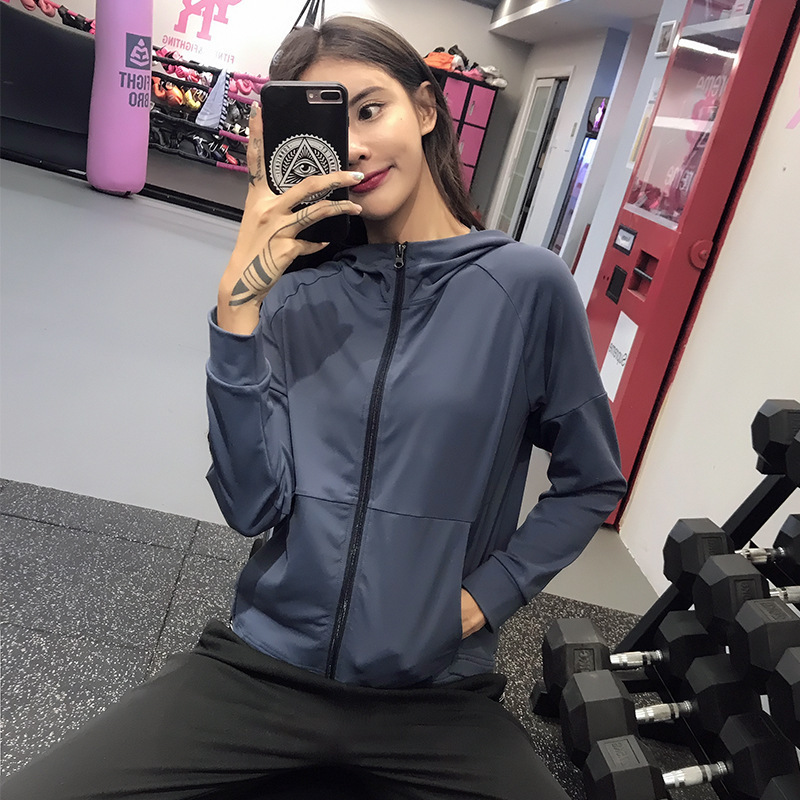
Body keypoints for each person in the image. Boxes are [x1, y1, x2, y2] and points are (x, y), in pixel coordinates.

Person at [2, 15, 626, 800]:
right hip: (266, 671)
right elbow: (252, 505)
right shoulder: (299, 296)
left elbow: (590, 481)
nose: (356, 146)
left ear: (424, 110)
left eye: (371, 109)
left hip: (432, 695)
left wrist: (485, 599)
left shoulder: (526, 288)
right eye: (334, 126)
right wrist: (238, 308)